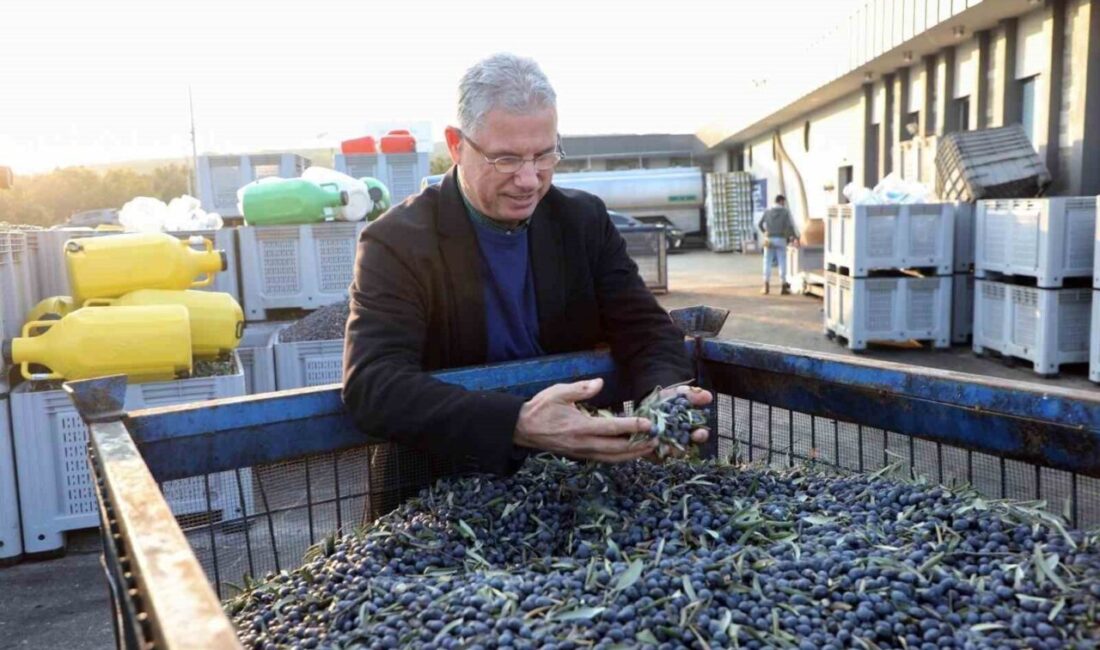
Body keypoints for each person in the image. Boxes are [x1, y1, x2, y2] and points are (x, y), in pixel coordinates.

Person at [342, 53, 712, 484]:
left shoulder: (583, 221)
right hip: (444, 486)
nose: (530, 180)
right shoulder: (397, 241)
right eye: (506, 159)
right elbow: (373, 383)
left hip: (577, 484)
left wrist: (666, 393)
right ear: (456, 145)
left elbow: (646, 330)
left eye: (544, 155)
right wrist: (517, 423)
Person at [759, 194, 797, 295]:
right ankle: (783, 286)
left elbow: (760, 224)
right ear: (780, 201)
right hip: (781, 239)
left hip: (769, 239)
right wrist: (792, 237)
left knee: (767, 262)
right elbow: (790, 226)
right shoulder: (785, 212)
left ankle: (766, 285)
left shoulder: (767, 211)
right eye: (783, 202)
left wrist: (765, 232)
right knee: (782, 262)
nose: (784, 204)